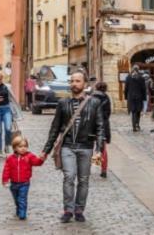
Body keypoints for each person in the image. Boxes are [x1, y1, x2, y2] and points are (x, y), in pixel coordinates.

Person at [42, 71, 107, 223]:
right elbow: (55, 128)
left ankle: (79, 209)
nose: (74, 84)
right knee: (69, 177)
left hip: (86, 146)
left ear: (85, 84)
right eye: (72, 81)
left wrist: (99, 149)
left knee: (84, 180)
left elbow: (100, 127)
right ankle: (68, 210)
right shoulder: (63, 103)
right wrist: (46, 150)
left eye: (77, 81)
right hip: (68, 146)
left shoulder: (94, 103)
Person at [1, 134, 46, 221]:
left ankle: (22, 214)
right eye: (20, 146)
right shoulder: (10, 158)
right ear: (15, 148)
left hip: (24, 183)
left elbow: (37, 162)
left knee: (22, 198)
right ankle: (18, 209)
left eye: (25, 146)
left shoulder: (30, 156)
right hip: (13, 183)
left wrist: (41, 159)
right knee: (16, 199)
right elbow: (6, 170)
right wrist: (5, 180)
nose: (23, 148)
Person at [93, 82, 113, 178]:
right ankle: (103, 169)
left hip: (91, 125)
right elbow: (108, 113)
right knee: (102, 148)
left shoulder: (91, 97)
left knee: (89, 147)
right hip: (103, 125)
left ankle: (89, 167)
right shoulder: (106, 98)